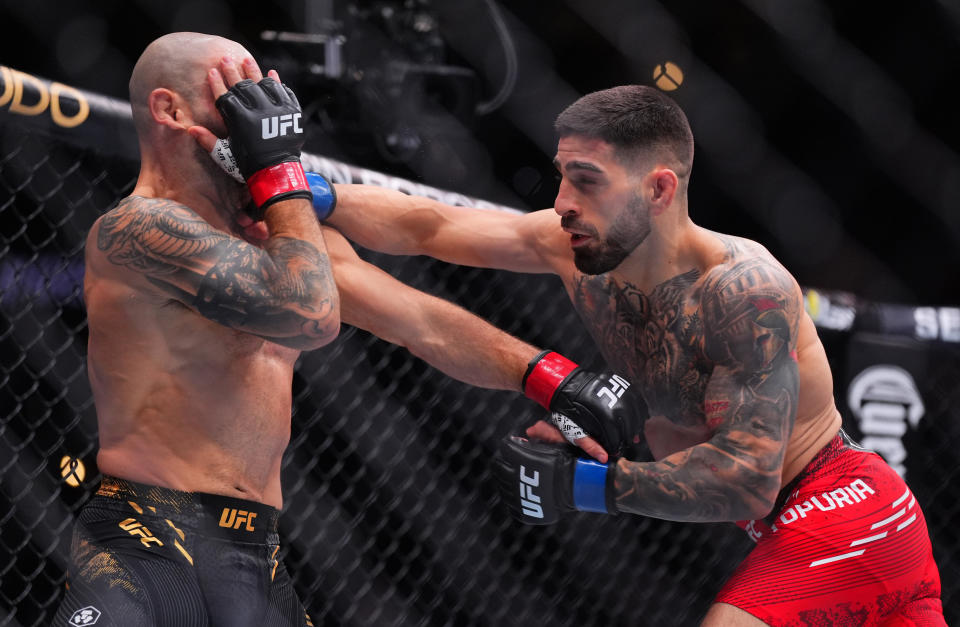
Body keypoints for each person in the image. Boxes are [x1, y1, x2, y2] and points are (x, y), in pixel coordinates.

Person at [54, 33, 633, 627]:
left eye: (263, 94)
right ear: (170, 111)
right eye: (234, 97)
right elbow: (310, 313)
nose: (258, 114)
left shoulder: (279, 233)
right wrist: (279, 172)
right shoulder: (139, 228)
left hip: (256, 551)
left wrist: (551, 380)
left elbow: (418, 321)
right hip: (148, 540)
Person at [322, 86, 946, 625]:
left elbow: (747, 483)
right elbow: (427, 225)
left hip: (845, 506)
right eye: (563, 174)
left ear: (658, 189)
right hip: (791, 527)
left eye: (587, 180)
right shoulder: (571, 248)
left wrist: (582, 484)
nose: (563, 199)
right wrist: (307, 192)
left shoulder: (743, 292)